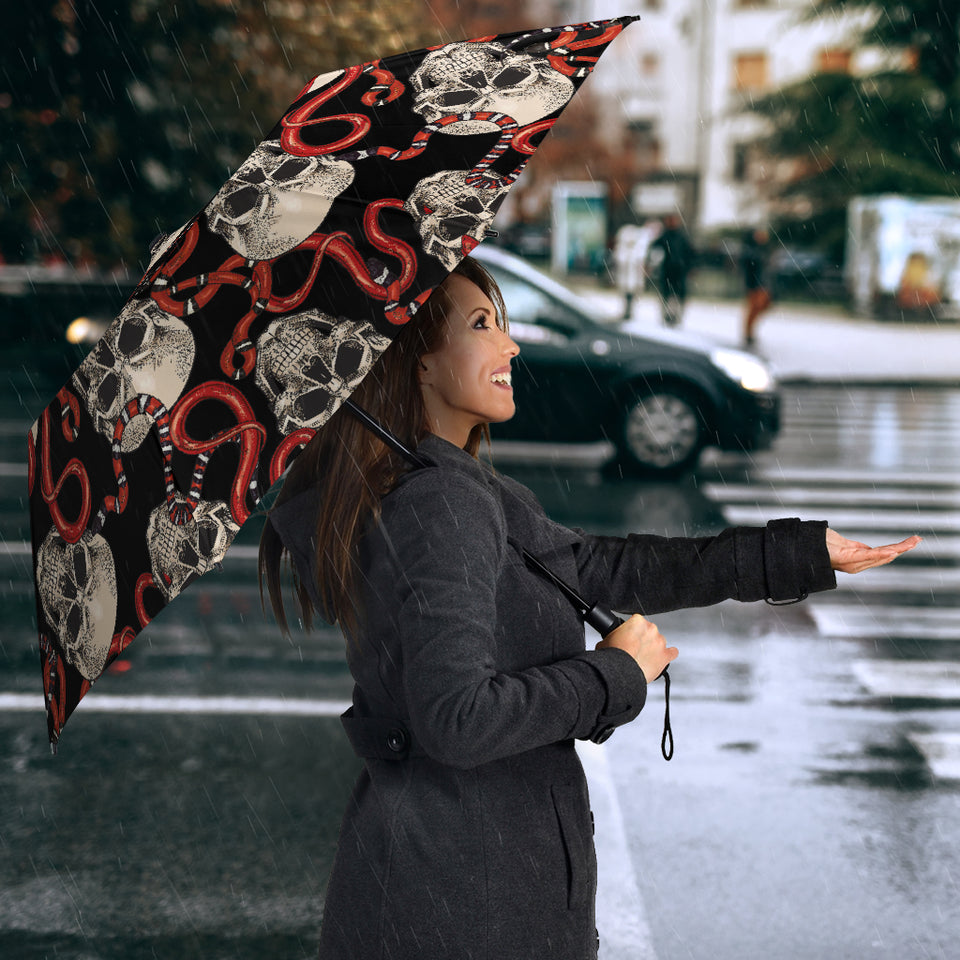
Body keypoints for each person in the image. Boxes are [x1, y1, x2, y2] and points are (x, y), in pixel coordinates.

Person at [259, 256, 920, 960]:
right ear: (418, 362)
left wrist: (795, 554)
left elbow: (602, 568)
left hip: (458, 881)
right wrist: (613, 674)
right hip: (465, 900)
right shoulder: (440, 504)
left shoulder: (452, 488)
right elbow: (457, 720)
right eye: (483, 325)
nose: (510, 345)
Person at [648, 213, 695, 327]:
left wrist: (690, 267)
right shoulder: (665, 236)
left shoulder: (681, 237)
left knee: (677, 295)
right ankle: (667, 315)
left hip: (679, 271)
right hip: (668, 270)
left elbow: (690, 253)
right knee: (667, 294)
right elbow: (654, 249)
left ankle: (675, 316)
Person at [741, 226, 773, 347]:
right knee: (754, 308)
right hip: (755, 284)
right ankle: (748, 333)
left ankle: (750, 331)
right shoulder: (751, 250)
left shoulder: (763, 249)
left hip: (763, 283)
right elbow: (750, 265)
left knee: (762, 306)